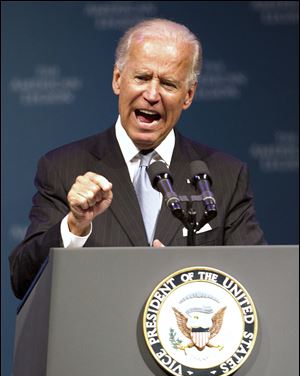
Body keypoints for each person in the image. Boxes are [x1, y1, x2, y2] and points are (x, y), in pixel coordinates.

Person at [9, 18, 266, 300]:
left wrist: (186, 280)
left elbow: (256, 284)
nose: (152, 94)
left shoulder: (224, 176)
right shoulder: (63, 167)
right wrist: (74, 225)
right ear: (118, 79)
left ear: (188, 95)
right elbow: (23, 279)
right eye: (142, 78)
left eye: (168, 83)